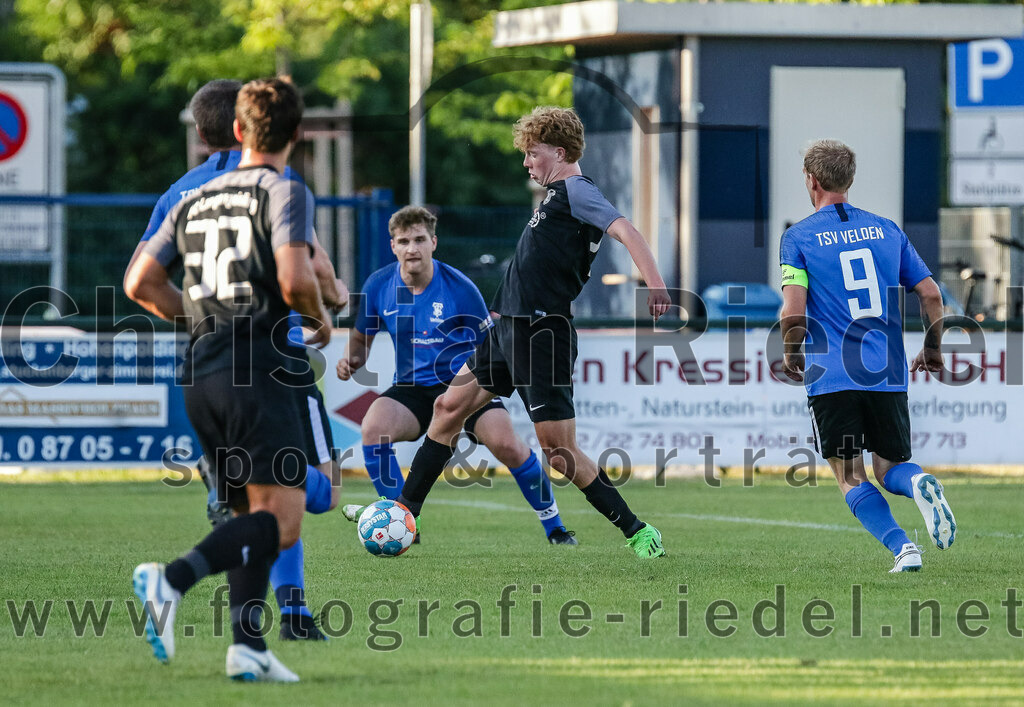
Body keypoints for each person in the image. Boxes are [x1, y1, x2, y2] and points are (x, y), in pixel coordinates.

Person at [390, 107, 672, 559]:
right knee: (447, 408)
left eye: (532, 153)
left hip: (542, 332)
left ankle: (637, 531)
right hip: (508, 330)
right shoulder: (554, 197)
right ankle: (404, 512)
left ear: (559, 153)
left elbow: (627, 230)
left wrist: (656, 286)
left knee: (558, 454)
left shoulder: (577, 190)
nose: (526, 163)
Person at [125, 77, 329, 681]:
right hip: (258, 370)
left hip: (202, 371)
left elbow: (139, 282)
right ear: (298, 134)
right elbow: (295, 282)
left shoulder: (192, 196)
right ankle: (171, 579)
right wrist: (321, 314)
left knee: (248, 513)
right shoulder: (283, 190)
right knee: (284, 519)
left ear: (235, 132)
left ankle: (248, 648)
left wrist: (205, 317)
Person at [335, 205, 577, 545]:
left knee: (508, 444)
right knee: (374, 429)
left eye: (419, 239)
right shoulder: (378, 285)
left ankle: (556, 528)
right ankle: (402, 523)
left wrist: (497, 389)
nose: (412, 248)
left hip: (464, 386)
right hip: (412, 388)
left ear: (433, 242)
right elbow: (360, 340)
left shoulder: (459, 288)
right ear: (393, 246)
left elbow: (494, 345)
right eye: (404, 241)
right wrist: (351, 361)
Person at [779, 138, 956, 573]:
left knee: (850, 475)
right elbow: (932, 294)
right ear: (849, 179)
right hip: (886, 371)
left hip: (833, 374)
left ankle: (903, 548)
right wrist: (932, 348)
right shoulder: (886, 230)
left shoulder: (798, 237)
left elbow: (793, 311)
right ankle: (916, 482)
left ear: (811, 180)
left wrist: (790, 351)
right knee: (891, 465)